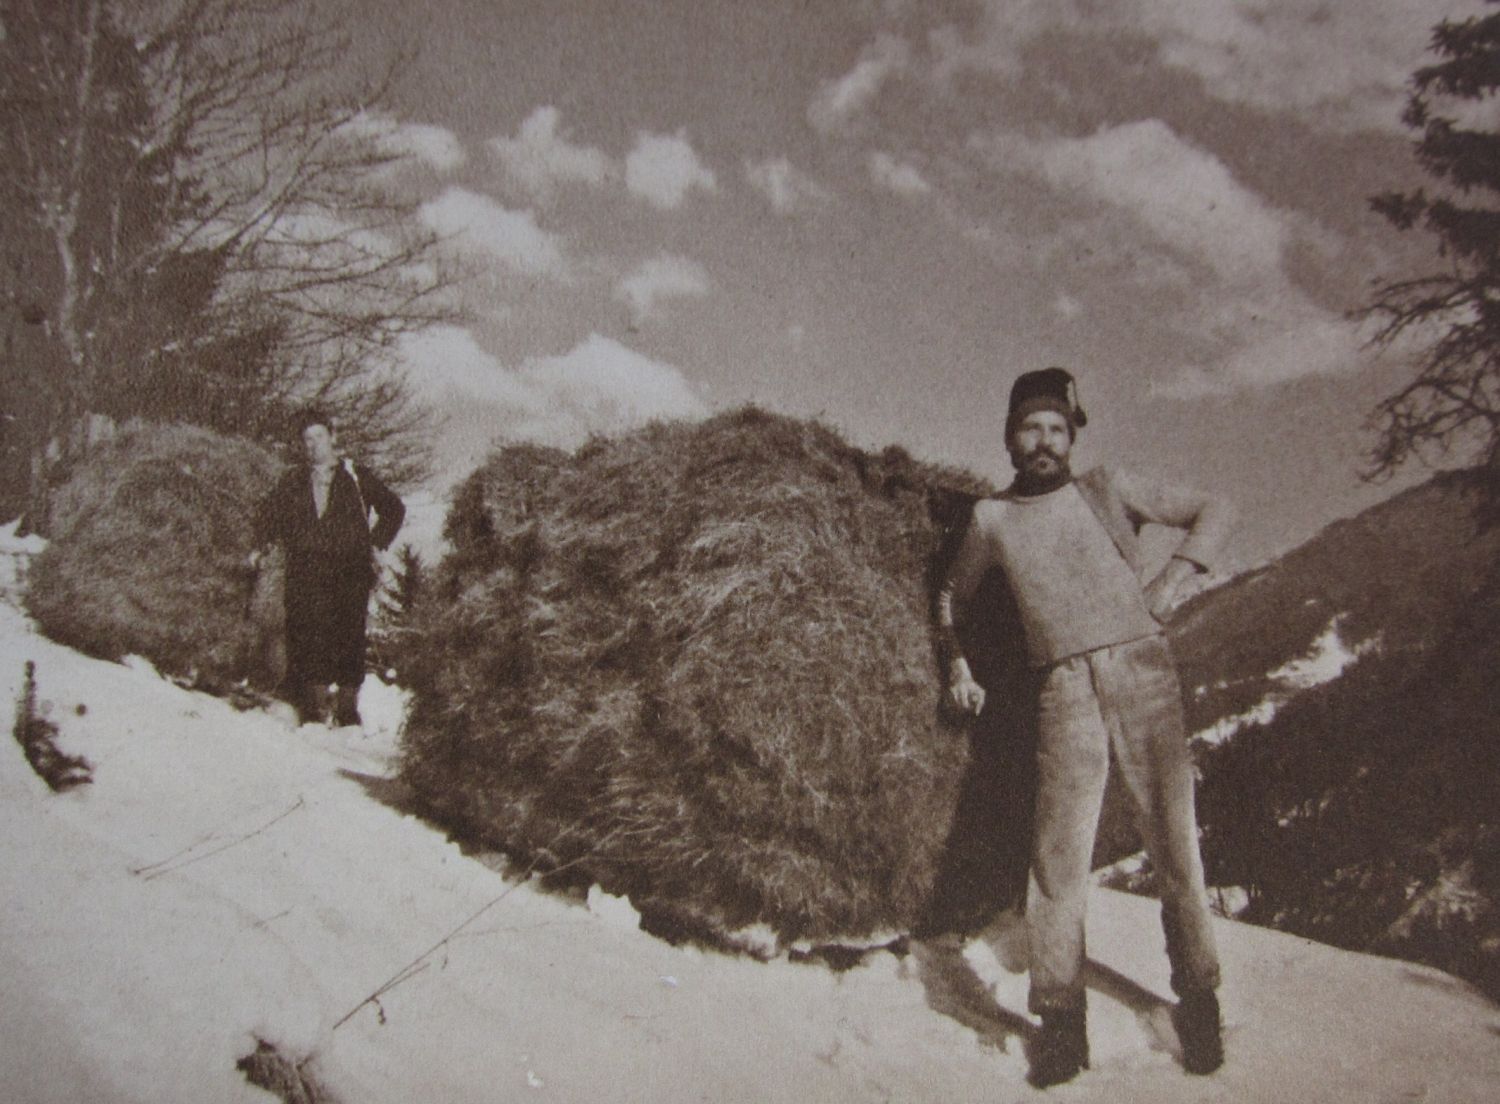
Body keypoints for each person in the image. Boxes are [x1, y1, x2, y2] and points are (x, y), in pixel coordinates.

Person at [937, 367, 1232, 1087]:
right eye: (1030, 428)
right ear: (1011, 437)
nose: (1044, 441)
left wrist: (1172, 580)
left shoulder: (1108, 487)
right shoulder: (992, 520)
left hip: (1144, 676)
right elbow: (951, 593)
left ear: (1071, 438)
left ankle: (1199, 1000)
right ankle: (1061, 1022)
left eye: (1056, 430)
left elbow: (1218, 507)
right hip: (1061, 690)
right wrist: (956, 664)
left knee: (1174, 846)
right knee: (1057, 861)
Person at [252, 407, 405, 728]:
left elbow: (393, 508)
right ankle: (313, 707)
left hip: (349, 570)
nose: (313, 445)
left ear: (333, 437)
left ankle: (348, 709)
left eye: (319, 436)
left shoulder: (355, 475)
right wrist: (260, 545)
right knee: (306, 632)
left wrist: (376, 543)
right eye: (306, 439)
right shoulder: (293, 480)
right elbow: (268, 515)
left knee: (348, 633)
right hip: (305, 570)